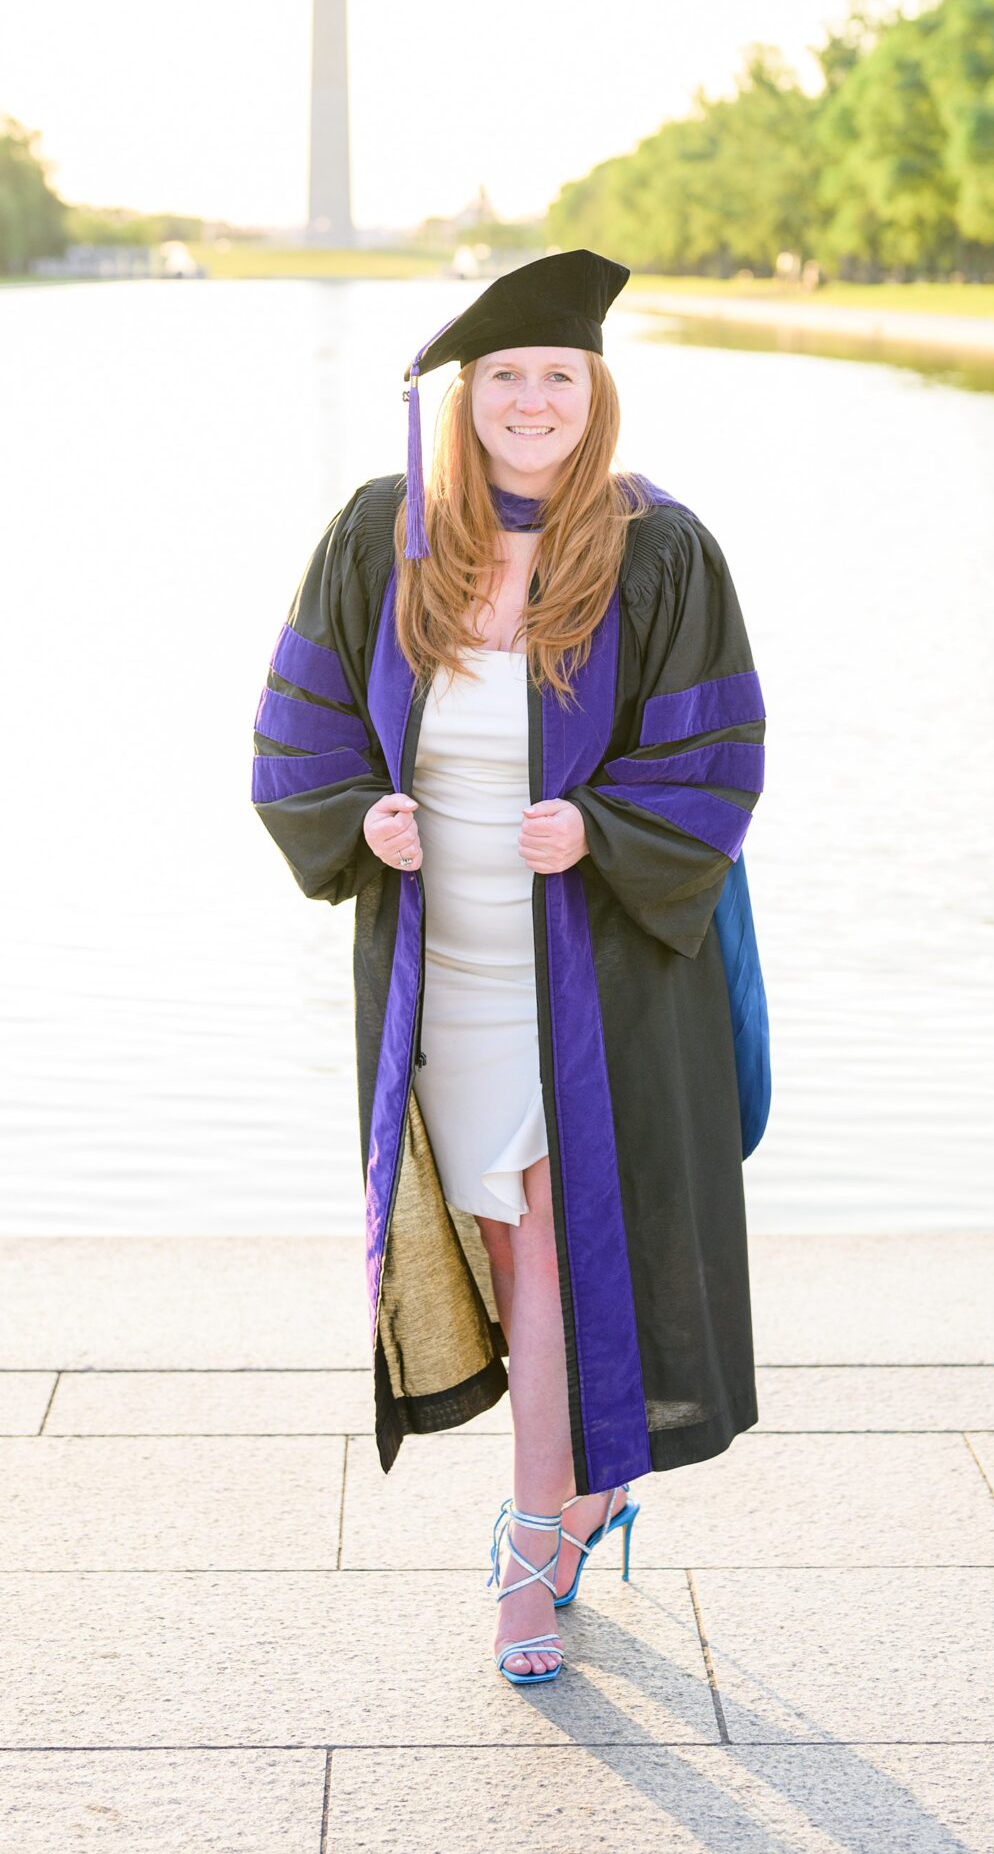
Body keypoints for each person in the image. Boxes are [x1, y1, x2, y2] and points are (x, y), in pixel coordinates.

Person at [251, 248, 766, 1687]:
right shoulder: (384, 535)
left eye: (558, 376)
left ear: (595, 396)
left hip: (590, 980)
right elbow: (294, 727)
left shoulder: (657, 547)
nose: (531, 400)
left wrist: (594, 828)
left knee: (546, 1239)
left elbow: (720, 757)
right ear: (465, 400)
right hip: (444, 972)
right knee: (495, 1233)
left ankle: (532, 1550)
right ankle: (590, 1485)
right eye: (504, 379)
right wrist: (365, 816)